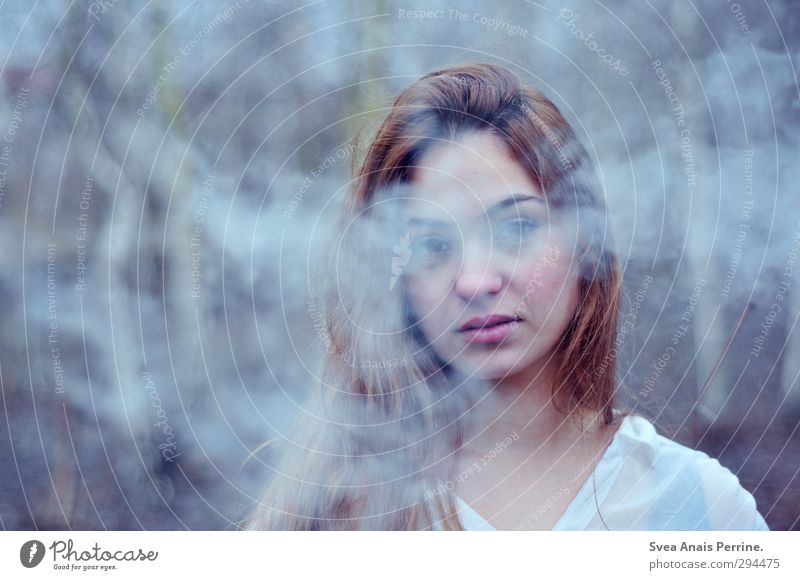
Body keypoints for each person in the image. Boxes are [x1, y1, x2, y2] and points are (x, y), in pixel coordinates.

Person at [243, 62, 768, 531]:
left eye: (516, 228)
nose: (474, 279)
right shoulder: (332, 514)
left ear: (583, 237)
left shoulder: (699, 509)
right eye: (433, 244)